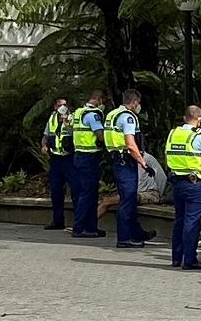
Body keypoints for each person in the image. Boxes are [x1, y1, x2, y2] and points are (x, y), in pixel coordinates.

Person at [103, 89, 159, 248]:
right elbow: (130, 144)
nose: (138, 106)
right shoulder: (128, 118)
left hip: (117, 160)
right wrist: (144, 163)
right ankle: (124, 238)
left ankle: (136, 233)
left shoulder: (112, 114)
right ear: (134, 101)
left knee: (128, 199)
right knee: (127, 201)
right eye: (138, 103)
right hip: (125, 162)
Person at [167, 105, 201, 270]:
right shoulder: (200, 136)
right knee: (192, 221)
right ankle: (189, 259)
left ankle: (177, 257)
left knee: (180, 220)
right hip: (194, 184)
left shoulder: (173, 134)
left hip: (177, 182)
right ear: (200, 120)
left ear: (184, 118)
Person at [71, 90, 108, 238]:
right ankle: (80, 228)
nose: (103, 105)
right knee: (88, 194)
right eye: (103, 102)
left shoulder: (78, 113)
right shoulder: (92, 115)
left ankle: (91, 227)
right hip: (89, 157)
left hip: (79, 155)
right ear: (98, 100)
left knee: (89, 193)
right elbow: (100, 134)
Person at [43, 97, 78, 230]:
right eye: (59, 105)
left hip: (69, 158)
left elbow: (74, 134)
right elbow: (46, 135)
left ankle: (78, 222)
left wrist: (67, 122)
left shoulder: (72, 117)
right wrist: (44, 146)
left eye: (64, 105)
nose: (62, 107)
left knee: (75, 190)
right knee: (55, 190)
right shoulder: (51, 118)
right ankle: (57, 221)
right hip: (55, 159)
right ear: (54, 107)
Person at [97, 151, 166, 219]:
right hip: (132, 192)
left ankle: (90, 225)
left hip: (149, 193)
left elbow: (162, 179)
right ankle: (90, 224)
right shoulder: (126, 161)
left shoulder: (147, 159)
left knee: (108, 201)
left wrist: (159, 194)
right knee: (103, 201)